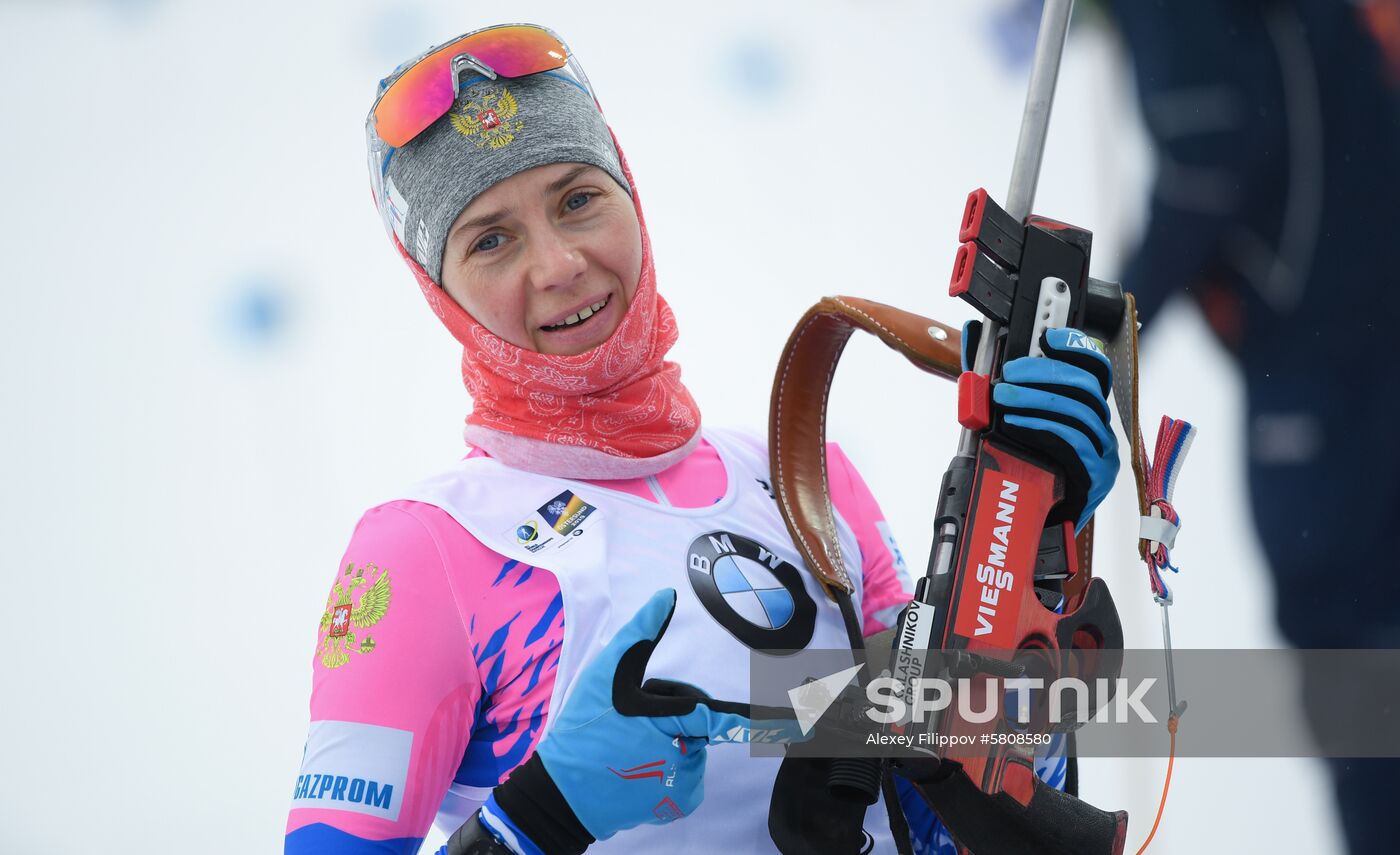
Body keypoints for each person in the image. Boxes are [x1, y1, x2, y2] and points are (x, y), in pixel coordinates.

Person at [283, 23, 1119, 855]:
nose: (560, 263)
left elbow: (972, 813)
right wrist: (533, 819)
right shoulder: (426, 550)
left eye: (578, 199)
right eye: (491, 240)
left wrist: (1035, 540)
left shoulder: (803, 476)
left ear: (631, 199)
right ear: (442, 290)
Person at [1103, 2, 1400, 851]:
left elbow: (1209, 156)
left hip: (1333, 368)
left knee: (1347, 637)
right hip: (1359, 335)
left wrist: (1106, 335)